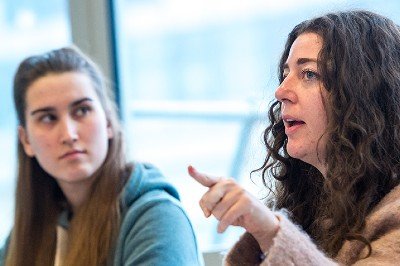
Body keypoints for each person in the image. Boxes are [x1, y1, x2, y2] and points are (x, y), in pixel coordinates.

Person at [189, 10, 400, 265]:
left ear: (365, 95)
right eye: (286, 73)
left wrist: (271, 232)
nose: (281, 91)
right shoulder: (310, 209)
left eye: (309, 74)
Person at [0, 46, 202, 266]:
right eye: (48, 118)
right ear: (26, 140)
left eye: (82, 111)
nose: (69, 134)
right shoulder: (27, 235)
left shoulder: (158, 218)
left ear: (107, 121)